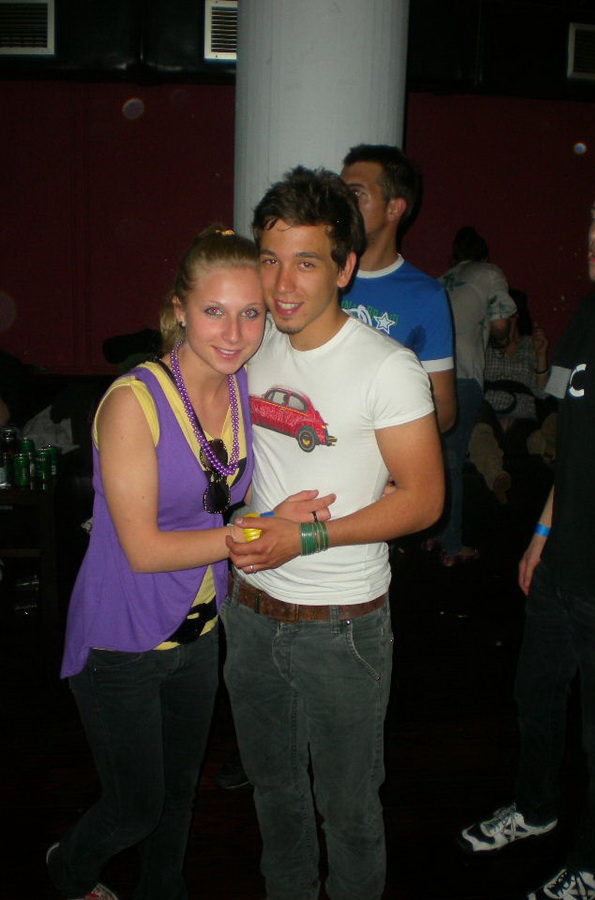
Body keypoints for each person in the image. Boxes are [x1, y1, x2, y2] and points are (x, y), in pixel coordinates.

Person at [46, 226, 332, 900]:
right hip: (122, 640)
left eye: (250, 312)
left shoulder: (238, 388)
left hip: (198, 631)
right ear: (179, 309)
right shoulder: (133, 402)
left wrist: (279, 514)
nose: (233, 333)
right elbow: (144, 549)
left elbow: (222, 499)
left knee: (178, 796)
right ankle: (66, 871)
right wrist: (259, 530)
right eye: (213, 311)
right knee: (134, 808)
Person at [222, 166, 444, 900]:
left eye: (307, 263)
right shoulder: (251, 346)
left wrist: (307, 540)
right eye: (270, 259)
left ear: (345, 268)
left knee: (346, 810)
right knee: (274, 793)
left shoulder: (388, 368)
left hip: (341, 625)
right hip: (250, 612)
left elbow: (423, 501)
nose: (282, 285)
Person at [457, 165, 595, 900]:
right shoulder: (584, 322)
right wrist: (541, 532)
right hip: (560, 568)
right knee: (536, 698)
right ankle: (536, 809)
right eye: (593, 218)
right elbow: (570, 450)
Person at [340, 144, 456, 433]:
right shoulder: (316, 276)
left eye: (356, 194)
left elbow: (443, 410)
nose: (342, 204)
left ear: (394, 208)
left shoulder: (426, 296)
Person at [429, 226, 516, 564]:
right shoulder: (490, 274)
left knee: (435, 459)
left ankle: (433, 532)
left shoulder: (440, 280)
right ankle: (452, 546)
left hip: (427, 378)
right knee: (453, 458)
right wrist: (502, 336)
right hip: (463, 376)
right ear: (484, 254)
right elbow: (500, 327)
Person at [468, 289, 553, 502]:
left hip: (523, 417)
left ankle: (553, 456)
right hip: (489, 415)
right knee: (479, 434)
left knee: (539, 437)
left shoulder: (530, 345)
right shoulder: (483, 345)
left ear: (515, 315)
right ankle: (497, 477)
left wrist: (541, 354)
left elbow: (542, 393)